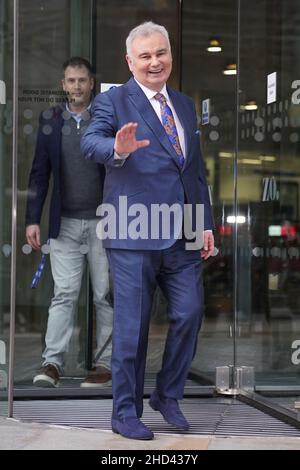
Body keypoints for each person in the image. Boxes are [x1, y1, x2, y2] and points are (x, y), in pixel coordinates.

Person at [81, 22, 214, 440]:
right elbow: (90, 142)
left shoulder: (185, 105)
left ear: (170, 54)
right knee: (132, 329)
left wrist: (205, 225)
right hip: (132, 231)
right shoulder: (114, 100)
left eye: (161, 53)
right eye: (145, 56)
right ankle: (125, 412)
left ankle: (167, 395)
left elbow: (194, 172)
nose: (155, 62)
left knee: (190, 313)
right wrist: (116, 150)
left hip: (183, 233)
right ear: (129, 61)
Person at [25, 57, 113, 389]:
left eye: (81, 81)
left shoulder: (106, 118)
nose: (76, 86)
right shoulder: (51, 119)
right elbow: (39, 173)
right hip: (63, 224)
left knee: (104, 296)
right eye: (70, 81)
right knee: (63, 294)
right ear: (63, 84)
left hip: (103, 224)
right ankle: (52, 364)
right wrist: (33, 219)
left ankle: (103, 364)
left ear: (92, 83)